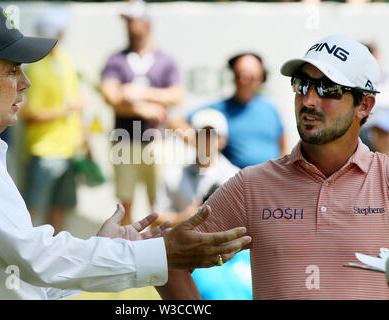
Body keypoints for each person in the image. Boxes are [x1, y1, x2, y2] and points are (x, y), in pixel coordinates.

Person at [0, 2, 251, 299]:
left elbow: (21, 277)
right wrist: (158, 253)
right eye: (11, 71)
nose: (25, 83)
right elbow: (33, 258)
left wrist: (107, 248)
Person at [157, 34, 389, 300]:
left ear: (364, 105)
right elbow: (169, 260)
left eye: (327, 87)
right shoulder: (252, 185)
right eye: (302, 84)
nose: (309, 99)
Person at [100, 0, 185, 225]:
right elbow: (110, 96)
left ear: (147, 23)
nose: (129, 27)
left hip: (155, 141)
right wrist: (144, 108)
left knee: (157, 203)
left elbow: (176, 95)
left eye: (133, 21)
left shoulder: (165, 60)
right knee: (124, 204)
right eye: (127, 22)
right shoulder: (116, 59)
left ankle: (153, 250)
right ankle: (126, 248)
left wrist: (136, 92)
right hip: (124, 140)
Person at [153, 108, 252, 299]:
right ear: (193, 138)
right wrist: (183, 217)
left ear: (223, 140)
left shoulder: (237, 177)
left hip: (230, 255)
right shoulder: (173, 175)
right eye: (202, 134)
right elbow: (156, 219)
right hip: (187, 255)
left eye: (212, 135)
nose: (207, 140)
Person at [19, 9, 86, 234]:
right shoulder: (34, 68)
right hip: (44, 152)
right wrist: (66, 109)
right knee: (30, 209)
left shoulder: (65, 60)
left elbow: (76, 105)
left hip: (69, 151)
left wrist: (83, 138)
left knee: (60, 209)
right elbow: (28, 115)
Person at [171, 52, 286, 169]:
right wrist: (202, 145)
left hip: (272, 181)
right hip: (237, 181)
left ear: (261, 79)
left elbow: (282, 145)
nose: (243, 81)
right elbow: (176, 122)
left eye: (250, 77)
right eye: (239, 76)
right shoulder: (220, 109)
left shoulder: (270, 108)